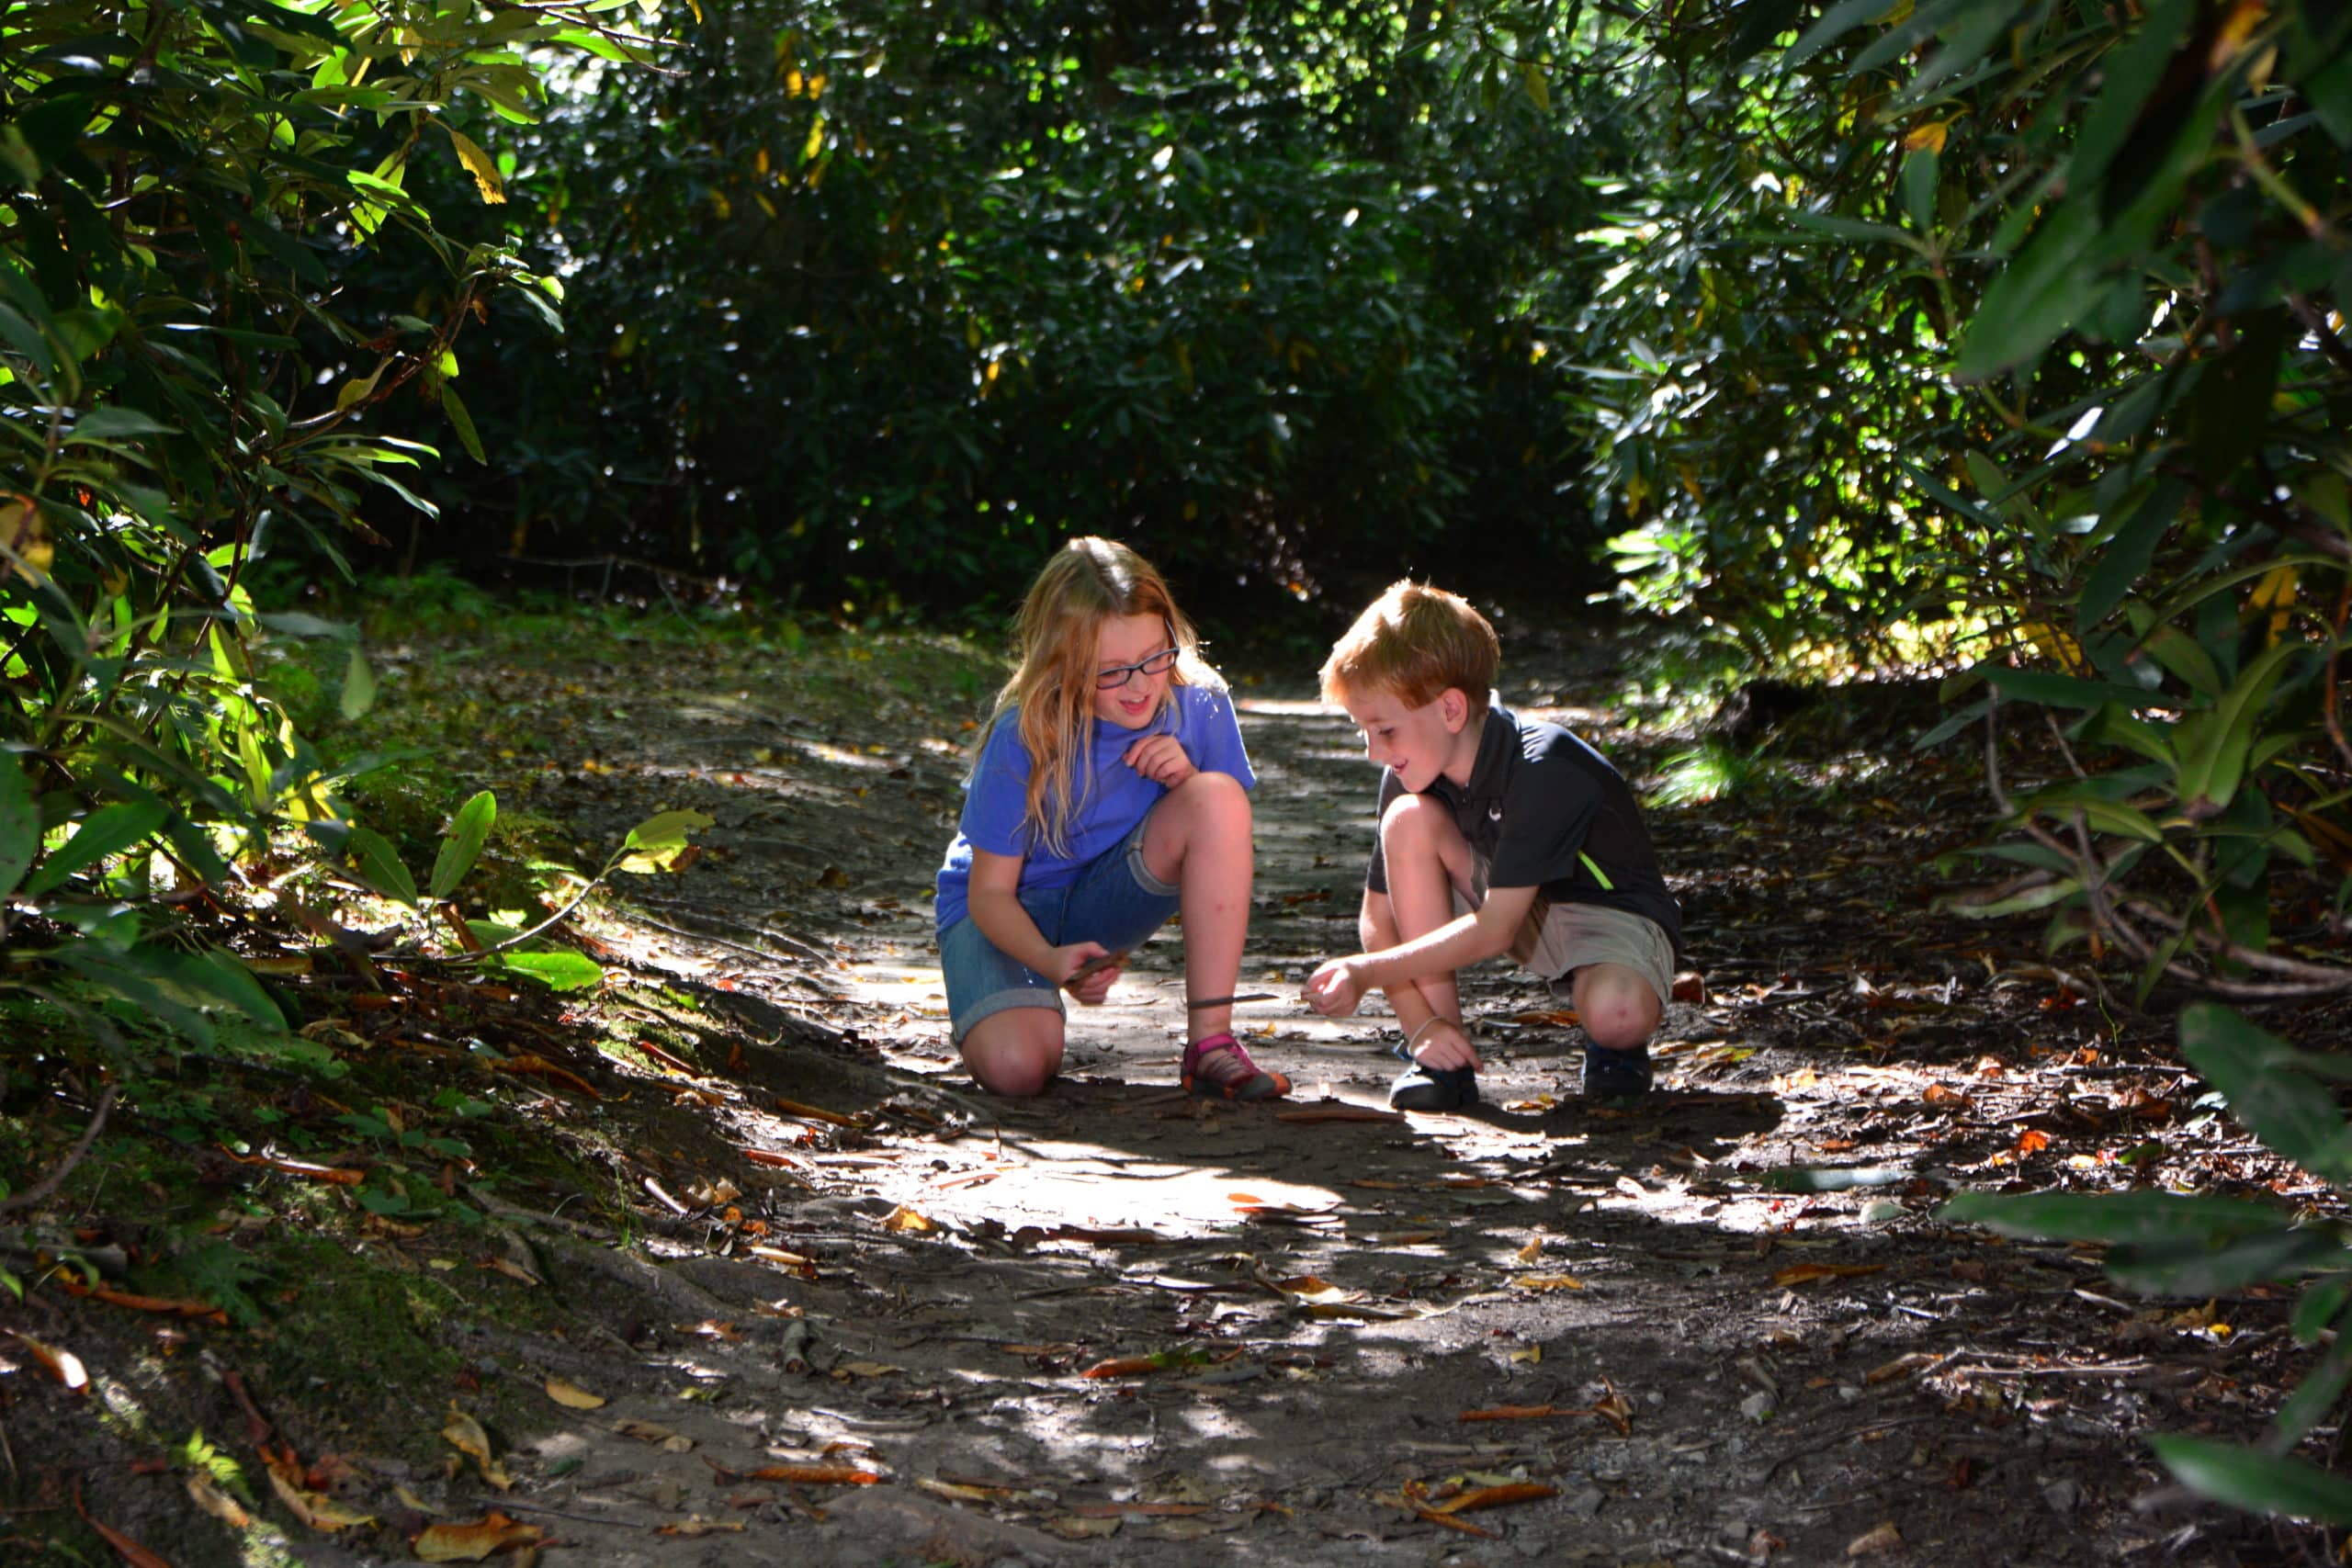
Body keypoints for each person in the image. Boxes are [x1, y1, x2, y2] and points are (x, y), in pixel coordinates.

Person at [1303, 581, 1682, 1109]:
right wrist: (1422, 1027)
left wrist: (1364, 974)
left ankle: (1616, 1046)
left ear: (1451, 710)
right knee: (1408, 820)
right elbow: (1378, 916)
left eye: (1384, 730)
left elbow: (1494, 928)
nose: (1373, 752)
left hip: (1606, 915)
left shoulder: (1543, 766)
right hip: (1507, 899)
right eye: (1363, 732)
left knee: (1617, 1014)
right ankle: (1443, 1064)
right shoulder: (1412, 771)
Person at [933, 536, 1287, 1101]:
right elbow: (989, 894)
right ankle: (999, 1000)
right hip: (1005, 914)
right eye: (1114, 670)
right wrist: (1048, 961)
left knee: (1217, 796)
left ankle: (1211, 1045)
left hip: (1108, 896)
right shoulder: (1022, 734)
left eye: (1155, 657)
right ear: (1064, 664)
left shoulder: (1199, 703)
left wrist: (1186, 781)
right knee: (1015, 1069)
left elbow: (1221, 838)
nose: (1142, 684)